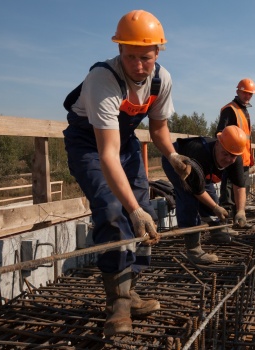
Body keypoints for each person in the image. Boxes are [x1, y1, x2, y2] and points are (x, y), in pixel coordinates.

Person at [62, 10, 191, 336]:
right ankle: (117, 304)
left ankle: (129, 291)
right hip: (90, 145)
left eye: (145, 58)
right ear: (119, 50)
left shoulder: (161, 80)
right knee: (113, 209)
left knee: (147, 213)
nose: (137, 65)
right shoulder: (102, 80)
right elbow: (107, 152)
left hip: (126, 144)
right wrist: (130, 209)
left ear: (157, 53)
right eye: (130, 56)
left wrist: (173, 155)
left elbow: (159, 130)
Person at [162, 125, 248, 263]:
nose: (228, 159)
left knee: (211, 197)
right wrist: (215, 207)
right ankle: (193, 249)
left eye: (233, 156)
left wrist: (241, 210)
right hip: (177, 162)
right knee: (188, 199)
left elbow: (239, 186)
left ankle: (217, 232)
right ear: (218, 143)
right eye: (225, 154)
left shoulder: (235, 157)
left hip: (200, 170)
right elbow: (197, 191)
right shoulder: (199, 153)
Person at [215, 78, 255, 216]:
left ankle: (239, 218)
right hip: (232, 158)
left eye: (250, 94)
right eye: (245, 93)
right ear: (238, 91)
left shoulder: (244, 110)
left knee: (243, 189)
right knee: (228, 194)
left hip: (243, 158)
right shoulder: (230, 109)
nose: (247, 96)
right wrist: (227, 155)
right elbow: (220, 133)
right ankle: (225, 222)